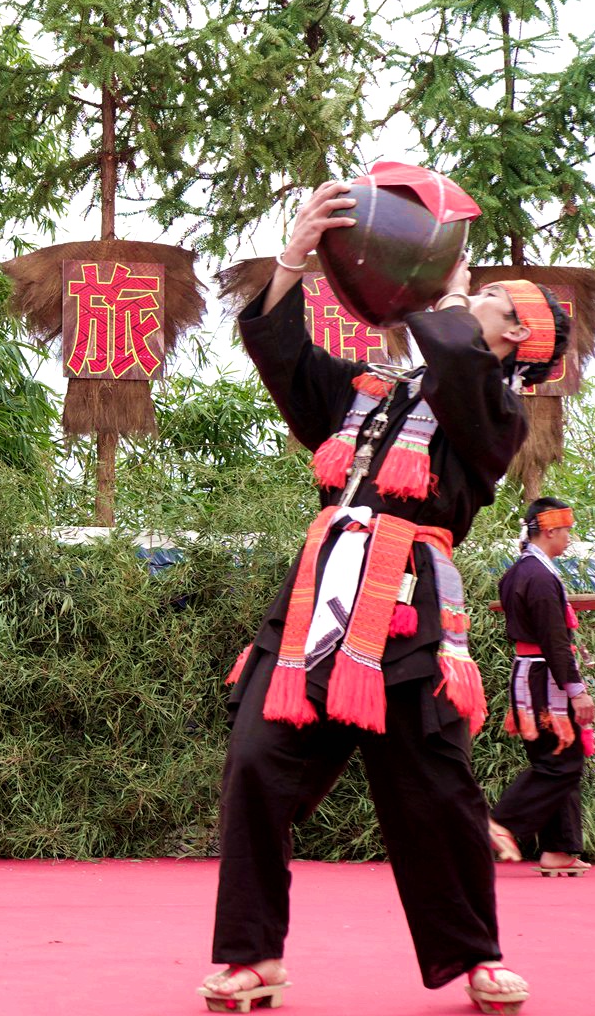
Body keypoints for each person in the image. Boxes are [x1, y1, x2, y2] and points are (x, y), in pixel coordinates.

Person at [201, 177, 570, 1016]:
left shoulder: (495, 417)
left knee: (434, 795)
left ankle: (475, 957)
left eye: (492, 298)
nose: (473, 292)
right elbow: (282, 356)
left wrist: (443, 295)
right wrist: (293, 262)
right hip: (314, 611)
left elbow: (456, 364)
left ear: (518, 337)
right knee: (257, 768)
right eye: (472, 285)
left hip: (406, 619)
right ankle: (253, 958)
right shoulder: (364, 392)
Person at [489, 497, 595, 876]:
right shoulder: (539, 576)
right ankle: (503, 821)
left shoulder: (518, 572)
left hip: (528, 674)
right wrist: (576, 690)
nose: (569, 537)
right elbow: (554, 639)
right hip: (545, 679)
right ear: (549, 530)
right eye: (566, 530)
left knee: (553, 760)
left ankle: (557, 849)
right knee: (562, 763)